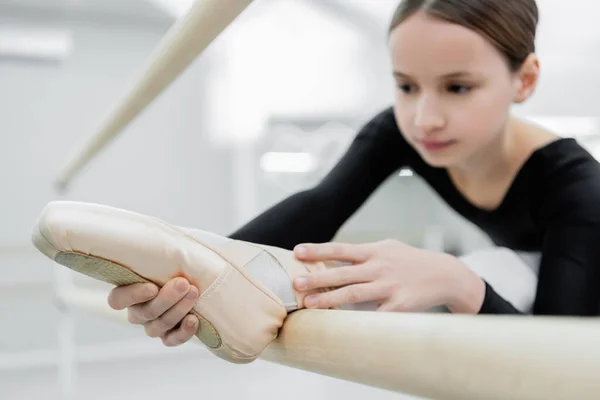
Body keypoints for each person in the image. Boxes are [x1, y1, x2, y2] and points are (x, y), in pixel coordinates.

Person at [106, 0, 600, 347]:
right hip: (541, 283)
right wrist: (197, 271)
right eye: (406, 86)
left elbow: (555, 361)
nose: (424, 117)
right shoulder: (402, 132)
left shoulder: (579, 191)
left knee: (493, 276)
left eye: (458, 87)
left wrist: (459, 281)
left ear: (526, 80)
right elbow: (322, 205)